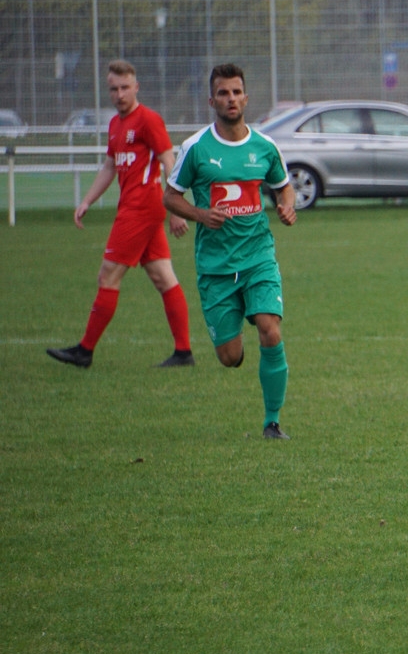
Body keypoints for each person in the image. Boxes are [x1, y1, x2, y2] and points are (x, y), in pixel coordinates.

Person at [164, 63, 297, 439]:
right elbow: (170, 197)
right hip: (216, 266)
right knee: (230, 357)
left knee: (270, 330)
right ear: (212, 100)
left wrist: (287, 205)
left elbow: (283, 186)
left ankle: (272, 422)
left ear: (246, 97)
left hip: (258, 256)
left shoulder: (264, 146)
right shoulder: (196, 148)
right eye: (223, 93)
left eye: (237, 92)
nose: (231, 99)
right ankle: (237, 320)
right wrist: (200, 214)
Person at [47, 60, 194, 369]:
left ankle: (84, 351)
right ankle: (183, 353)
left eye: (125, 87)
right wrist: (87, 200)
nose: (119, 94)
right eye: (113, 89)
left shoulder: (148, 120)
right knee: (162, 276)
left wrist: (176, 206)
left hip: (142, 209)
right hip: (136, 208)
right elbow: (110, 167)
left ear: (136, 87)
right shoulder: (115, 125)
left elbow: (169, 159)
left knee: (108, 274)